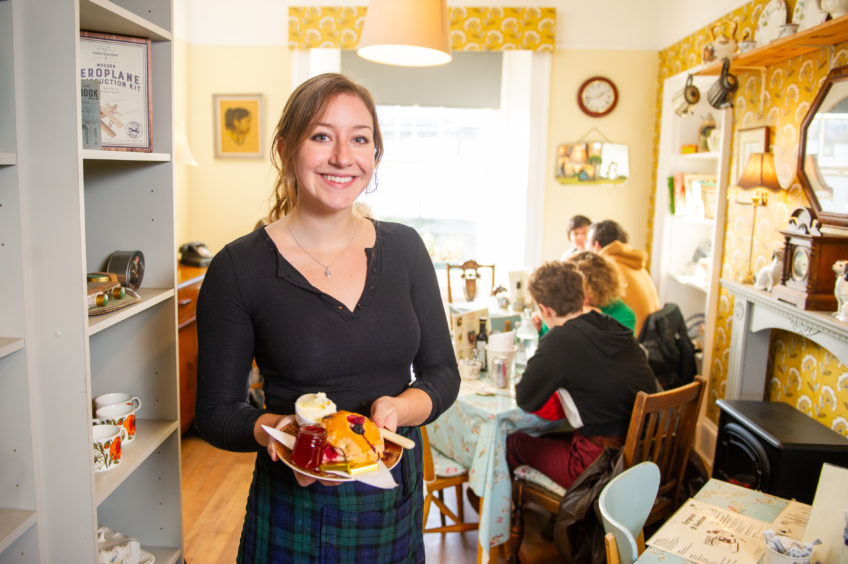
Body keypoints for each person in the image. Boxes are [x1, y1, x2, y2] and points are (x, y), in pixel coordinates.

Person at [194, 73, 460, 563]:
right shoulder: (239, 268)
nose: (343, 156)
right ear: (284, 149)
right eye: (321, 136)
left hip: (392, 498)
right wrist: (281, 434)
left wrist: (398, 411)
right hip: (293, 509)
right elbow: (214, 413)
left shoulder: (405, 249)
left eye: (360, 138)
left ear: (375, 154)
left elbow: (443, 373)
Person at [506, 261, 657, 490]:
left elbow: (525, 398)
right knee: (551, 437)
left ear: (544, 309)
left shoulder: (559, 340)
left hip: (601, 465)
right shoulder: (611, 325)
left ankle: (501, 516)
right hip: (645, 453)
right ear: (582, 295)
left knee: (514, 443)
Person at [587, 219, 660, 336]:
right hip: (652, 336)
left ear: (596, 245)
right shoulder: (633, 262)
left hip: (633, 335)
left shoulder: (607, 268)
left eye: (587, 242)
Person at [567, 251, 636, 332]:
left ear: (598, 290)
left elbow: (620, 343)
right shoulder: (564, 305)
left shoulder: (623, 315)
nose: (571, 295)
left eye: (579, 290)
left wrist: (597, 319)